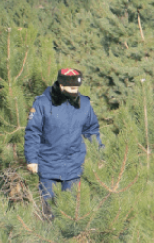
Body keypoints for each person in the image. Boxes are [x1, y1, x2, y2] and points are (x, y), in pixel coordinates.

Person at [24, 68, 102, 208]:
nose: (74, 91)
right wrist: (32, 159)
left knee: (72, 211)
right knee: (49, 212)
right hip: (48, 165)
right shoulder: (42, 103)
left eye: (76, 88)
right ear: (60, 84)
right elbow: (33, 132)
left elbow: (92, 131)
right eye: (70, 87)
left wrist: (100, 155)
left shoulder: (84, 103)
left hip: (75, 166)